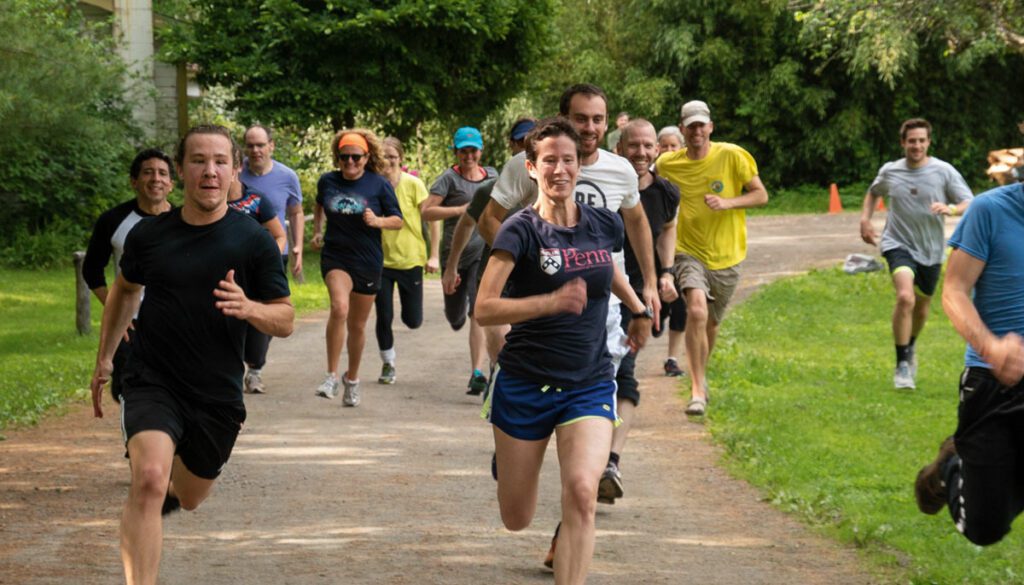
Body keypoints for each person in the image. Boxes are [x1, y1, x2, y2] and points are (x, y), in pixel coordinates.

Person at [89, 125, 294, 585]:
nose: (209, 171)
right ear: (181, 170)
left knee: (190, 495)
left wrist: (250, 308)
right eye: (198, 160)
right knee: (148, 479)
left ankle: (176, 479)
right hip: (151, 377)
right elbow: (125, 289)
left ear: (235, 171)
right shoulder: (149, 236)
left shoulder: (253, 240)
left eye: (220, 161)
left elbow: (284, 318)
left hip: (215, 392)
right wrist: (105, 358)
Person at [476, 83, 664, 568]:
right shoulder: (520, 228)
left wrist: (638, 308)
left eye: (568, 161)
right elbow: (484, 309)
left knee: (582, 492)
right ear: (531, 168)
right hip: (525, 382)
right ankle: (511, 453)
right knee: (516, 516)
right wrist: (549, 302)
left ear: (580, 166)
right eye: (549, 161)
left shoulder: (603, 222)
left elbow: (607, 267)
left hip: (589, 380)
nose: (560, 169)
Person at [914, 178, 1024, 546]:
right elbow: (954, 291)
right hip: (994, 381)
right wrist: (991, 348)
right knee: (985, 526)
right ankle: (951, 464)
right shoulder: (990, 210)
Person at [656, 99, 769, 416]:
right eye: (690, 126)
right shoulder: (667, 164)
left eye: (701, 125)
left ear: (710, 127)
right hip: (687, 252)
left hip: (727, 255)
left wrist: (727, 202)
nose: (696, 131)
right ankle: (696, 390)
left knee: (711, 324)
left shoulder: (732, 155)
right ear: (682, 129)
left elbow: (761, 194)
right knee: (695, 309)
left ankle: (700, 375)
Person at [599, 119, 680, 505]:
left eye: (649, 146)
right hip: (600, 293)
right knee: (601, 373)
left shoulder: (667, 192)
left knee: (624, 374)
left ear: (658, 149)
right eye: (634, 146)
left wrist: (664, 274)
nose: (642, 153)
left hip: (639, 299)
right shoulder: (607, 183)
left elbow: (668, 229)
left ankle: (610, 463)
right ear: (620, 148)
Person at [859, 118, 973, 389]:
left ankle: (909, 346)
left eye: (922, 141)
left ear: (928, 142)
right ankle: (901, 365)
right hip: (897, 243)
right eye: (912, 141)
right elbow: (873, 193)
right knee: (905, 297)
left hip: (931, 250)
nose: (917, 146)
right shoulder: (891, 171)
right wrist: (865, 219)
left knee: (921, 307)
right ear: (903, 143)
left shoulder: (943, 171)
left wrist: (951, 209)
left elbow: (969, 202)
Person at [442, 117, 536, 386]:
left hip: (536, 274)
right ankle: (499, 374)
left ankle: (504, 377)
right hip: (496, 269)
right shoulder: (491, 190)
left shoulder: (558, 185)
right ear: (511, 145)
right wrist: (451, 266)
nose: (526, 148)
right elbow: (466, 224)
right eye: (520, 142)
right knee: (491, 329)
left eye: (532, 142)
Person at [312, 129, 403, 406]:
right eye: (344, 157)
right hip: (336, 256)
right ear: (337, 158)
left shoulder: (379, 184)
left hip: (367, 260)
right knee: (339, 308)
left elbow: (397, 220)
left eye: (356, 157)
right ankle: (330, 376)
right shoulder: (328, 181)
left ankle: (352, 379)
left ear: (366, 157)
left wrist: (378, 221)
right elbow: (319, 204)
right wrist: (317, 231)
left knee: (357, 325)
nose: (350, 162)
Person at [83, 148, 174, 403]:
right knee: (127, 390)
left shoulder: (183, 221)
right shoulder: (112, 220)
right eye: (148, 172)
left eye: (162, 173)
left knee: (172, 389)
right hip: (129, 323)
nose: (156, 179)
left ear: (171, 184)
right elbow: (92, 270)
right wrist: (115, 311)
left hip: (173, 319)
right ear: (134, 181)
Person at [423, 127, 499, 395]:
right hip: (454, 256)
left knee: (478, 311)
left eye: (473, 151)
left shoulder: (493, 176)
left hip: (483, 253)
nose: (468, 156)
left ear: (480, 151)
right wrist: (460, 210)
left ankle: (477, 373)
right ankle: (455, 316)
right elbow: (426, 212)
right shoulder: (449, 179)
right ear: (455, 152)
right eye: (463, 151)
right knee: (455, 315)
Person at [239, 124, 305, 394]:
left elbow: (296, 213)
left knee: (267, 310)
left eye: (260, 145)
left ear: (271, 146)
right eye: (250, 145)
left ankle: (255, 369)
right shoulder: (235, 173)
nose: (255, 150)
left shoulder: (287, 176)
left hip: (274, 253)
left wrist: (298, 247)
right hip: (236, 255)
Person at [374, 137, 437, 384]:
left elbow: (431, 218)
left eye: (392, 156)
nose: (388, 161)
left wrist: (433, 255)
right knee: (384, 315)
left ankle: (409, 320)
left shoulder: (413, 184)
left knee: (412, 320)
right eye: (383, 156)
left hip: (411, 259)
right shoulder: (373, 184)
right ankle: (388, 362)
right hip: (380, 262)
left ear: (401, 158)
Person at [227, 168, 289, 394]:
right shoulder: (208, 203)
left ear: (236, 168)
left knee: (257, 335)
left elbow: (279, 235)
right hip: (224, 276)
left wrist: (268, 260)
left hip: (254, 278)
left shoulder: (256, 199)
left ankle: (254, 371)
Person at [656, 125, 688, 376]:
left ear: (681, 148)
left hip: (684, 250)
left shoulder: (689, 173)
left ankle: (672, 359)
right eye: (664, 146)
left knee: (681, 306)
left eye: (673, 146)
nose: (668, 150)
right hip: (654, 251)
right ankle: (657, 317)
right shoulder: (648, 176)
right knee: (659, 304)